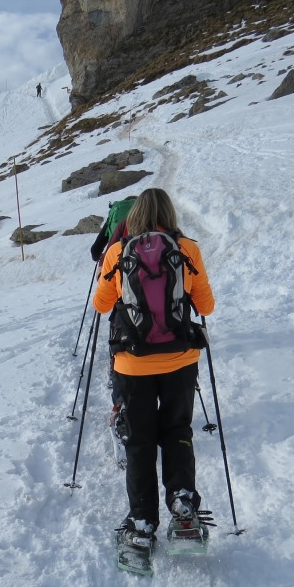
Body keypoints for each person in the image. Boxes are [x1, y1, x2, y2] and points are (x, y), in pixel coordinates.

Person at [91, 188, 215, 549]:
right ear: (169, 212)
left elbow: (102, 305)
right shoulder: (187, 248)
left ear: (134, 216)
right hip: (180, 359)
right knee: (177, 430)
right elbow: (206, 303)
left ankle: (142, 525)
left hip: (132, 362)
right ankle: (182, 504)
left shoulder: (117, 252)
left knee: (140, 442)